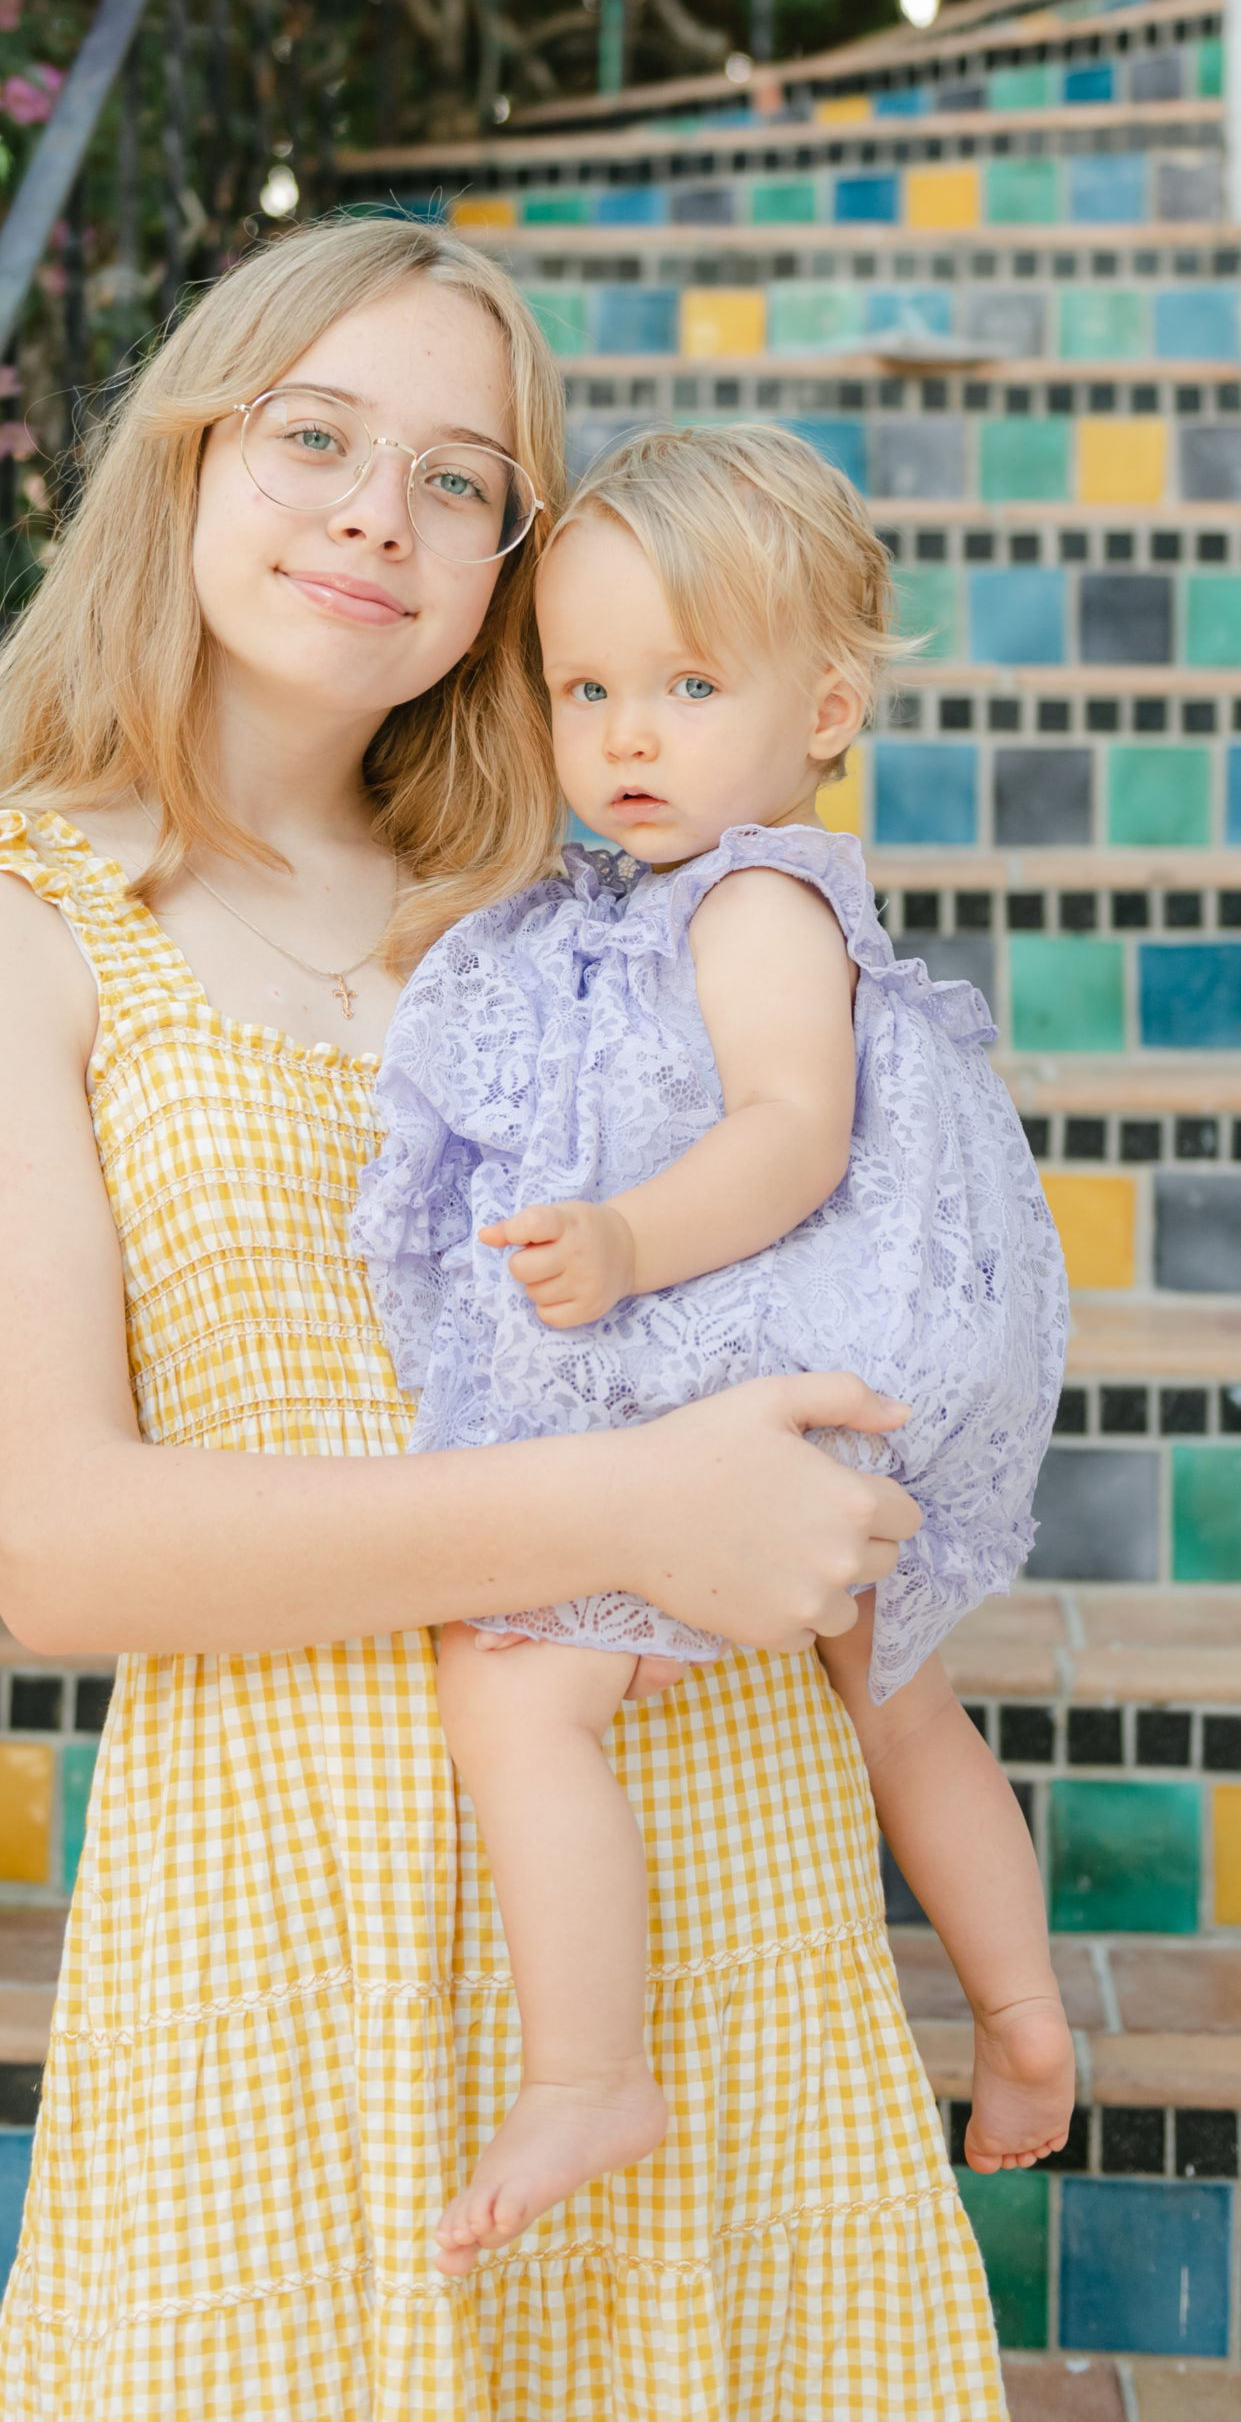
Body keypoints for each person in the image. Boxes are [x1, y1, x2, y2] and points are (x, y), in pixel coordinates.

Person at [0, 218, 1006, 2419]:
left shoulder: (586, 896)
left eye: (459, 478)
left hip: (701, 1869)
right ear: (188, 462)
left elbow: (853, 1233)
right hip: (289, 1908)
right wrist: (637, 1498)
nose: (377, 511)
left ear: (511, 563)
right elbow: (58, 1544)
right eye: (313, 435)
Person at [353, 420, 1075, 2281]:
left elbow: (788, 1132)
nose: (628, 737)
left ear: (827, 705)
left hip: (774, 1342)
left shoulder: (758, 901)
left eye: (687, 682)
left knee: (519, 1682)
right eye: (585, 687)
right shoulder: (652, 899)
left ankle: (589, 2070)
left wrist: (620, 1240)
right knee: (896, 1696)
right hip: (815, 1367)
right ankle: (1020, 2015)